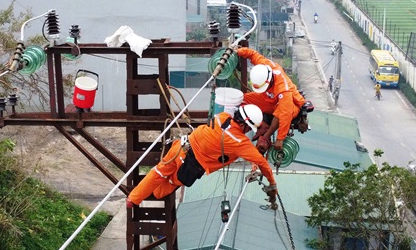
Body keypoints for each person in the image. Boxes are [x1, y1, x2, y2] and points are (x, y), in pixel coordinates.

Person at [126, 104, 277, 208]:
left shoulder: (222, 117)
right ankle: (148, 193)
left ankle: (133, 199)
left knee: (158, 172)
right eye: (249, 129)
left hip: (180, 148)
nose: (247, 132)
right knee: (161, 191)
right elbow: (262, 163)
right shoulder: (239, 142)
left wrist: (134, 198)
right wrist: (272, 184)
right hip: (188, 167)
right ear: (244, 125)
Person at [236, 44, 309, 153]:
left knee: (280, 112)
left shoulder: (283, 89)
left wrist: (280, 138)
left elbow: (285, 113)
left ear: (269, 81)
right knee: (241, 99)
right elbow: (253, 54)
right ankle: (261, 125)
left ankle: (266, 135)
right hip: (270, 99)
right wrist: (239, 51)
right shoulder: (264, 66)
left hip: (291, 105)